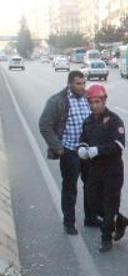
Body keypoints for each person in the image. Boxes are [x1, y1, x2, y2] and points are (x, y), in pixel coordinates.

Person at [38, 71, 97, 235]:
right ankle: (69, 222)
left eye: (84, 83)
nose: (82, 87)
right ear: (70, 84)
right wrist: (58, 148)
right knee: (70, 188)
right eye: (78, 84)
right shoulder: (57, 101)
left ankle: (90, 218)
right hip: (69, 151)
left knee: (91, 185)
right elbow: (44, 125)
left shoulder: (87, 97)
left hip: (87, 151)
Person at [77, 84, 128, 252]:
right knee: (93, 203)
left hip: (112, 170)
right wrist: (82, 148)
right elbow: (84, 139)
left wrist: (97, 150)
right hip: (94, 170)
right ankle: (119, 219)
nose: (94, 105)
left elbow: (119, 145)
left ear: (104, 100)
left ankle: (106, 238)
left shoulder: (114, 120)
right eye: (91, 102)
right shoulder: (88, 121)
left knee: (109, 204)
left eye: (97, 102)